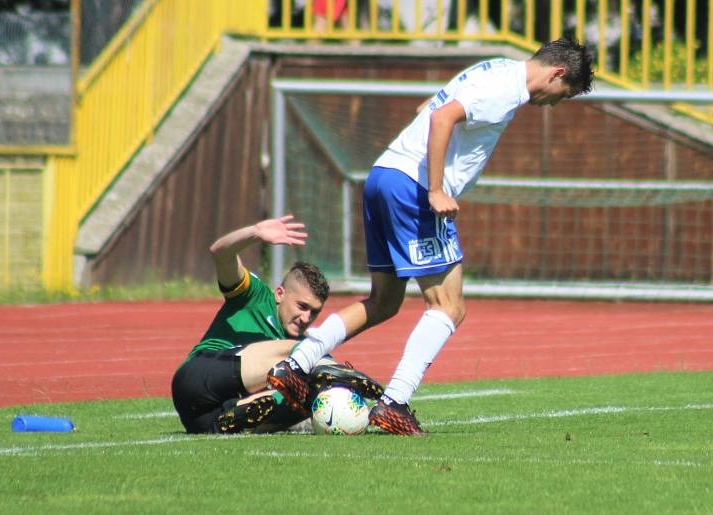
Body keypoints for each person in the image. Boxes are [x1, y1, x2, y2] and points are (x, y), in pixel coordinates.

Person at [268, 38, 595, 435]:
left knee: (384, 301)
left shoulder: (495, 68)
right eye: (563, 94)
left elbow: (426, 108)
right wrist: (437, 189)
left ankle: (295, 364)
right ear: (557, 73)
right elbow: (441, 118)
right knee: (449, 305)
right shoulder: (507, 89)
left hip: (384, 176)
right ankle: (395, 403)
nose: (554, 103)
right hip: (414, 189)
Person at [171, 215, 383, 434]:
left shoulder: (300, 339)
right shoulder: (254, 295)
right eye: (301, 306)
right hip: (196, 380)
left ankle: (242, 416)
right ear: (280, 294)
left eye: (314, 312)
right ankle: (330, 368)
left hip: (205, 421)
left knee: (304, 393)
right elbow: (220, 253)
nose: (306, 318)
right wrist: (254, 232)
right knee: (304, 355)